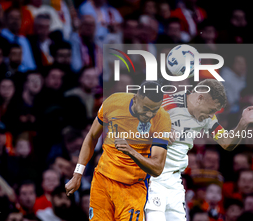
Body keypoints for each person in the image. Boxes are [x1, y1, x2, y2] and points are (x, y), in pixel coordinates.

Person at [145, 79, 253, 221]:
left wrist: (243, 123)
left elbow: (226, 143)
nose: (210, 116)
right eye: (210, 110)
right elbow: (133, 130)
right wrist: (159, 130)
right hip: (151, 178)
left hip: (175, 182)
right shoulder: (165, 104)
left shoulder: (208, 117)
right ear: (200, 98)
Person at [65, 81, 171, 220]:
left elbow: (157, 168)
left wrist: (131, 152)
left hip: (132, 188)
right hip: (103, 181)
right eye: (146, 108)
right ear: (135, 99)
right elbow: (91, 136)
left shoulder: (162, 118)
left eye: (154, 109)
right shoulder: (113, 102)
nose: (149, 114)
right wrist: (78, 174)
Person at [0, 7, 37, 72]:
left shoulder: (24, 39)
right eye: (12, 18)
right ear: (5, 20)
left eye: (18, 18)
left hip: (26, 74)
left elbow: (31, 65)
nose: (15, 21)